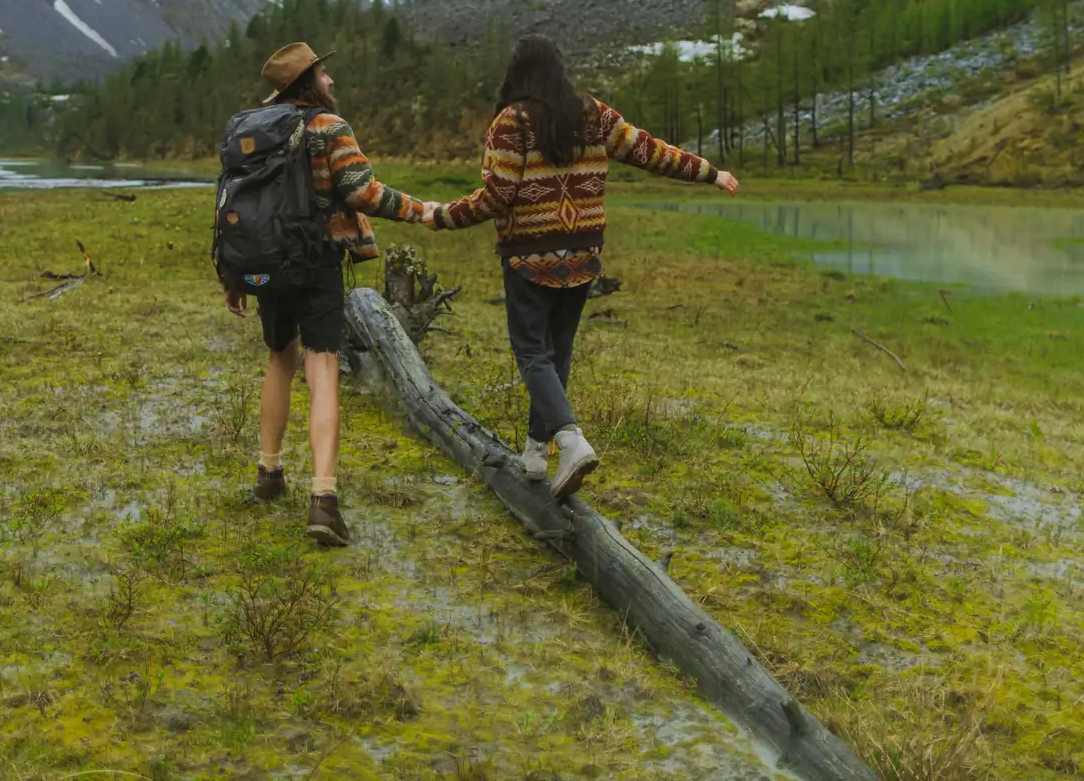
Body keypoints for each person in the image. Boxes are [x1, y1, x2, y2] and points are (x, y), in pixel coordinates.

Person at [431, 34, 736, 498]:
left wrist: (442, 216)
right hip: (583, 253)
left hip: (529, 254)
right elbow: (649, 151)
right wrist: (710, 172)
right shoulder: (593, 114)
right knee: (558, 350)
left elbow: (497, 196)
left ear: (517, 70)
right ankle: (536, 453)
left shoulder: (511, 121)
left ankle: (570, 441)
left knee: (532, 352)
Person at [224, 42, 439, 546]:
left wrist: (232, 275)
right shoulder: (328, 126)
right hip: (317, 262)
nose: (331, 80)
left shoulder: (255, 132)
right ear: (309, 80)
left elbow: (233, 203)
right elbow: (363, 192)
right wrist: (421, 210)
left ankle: (268, 474)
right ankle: (323, 501)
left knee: (279, 360)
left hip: (267, 264)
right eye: (324, 73)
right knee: (322, 369)